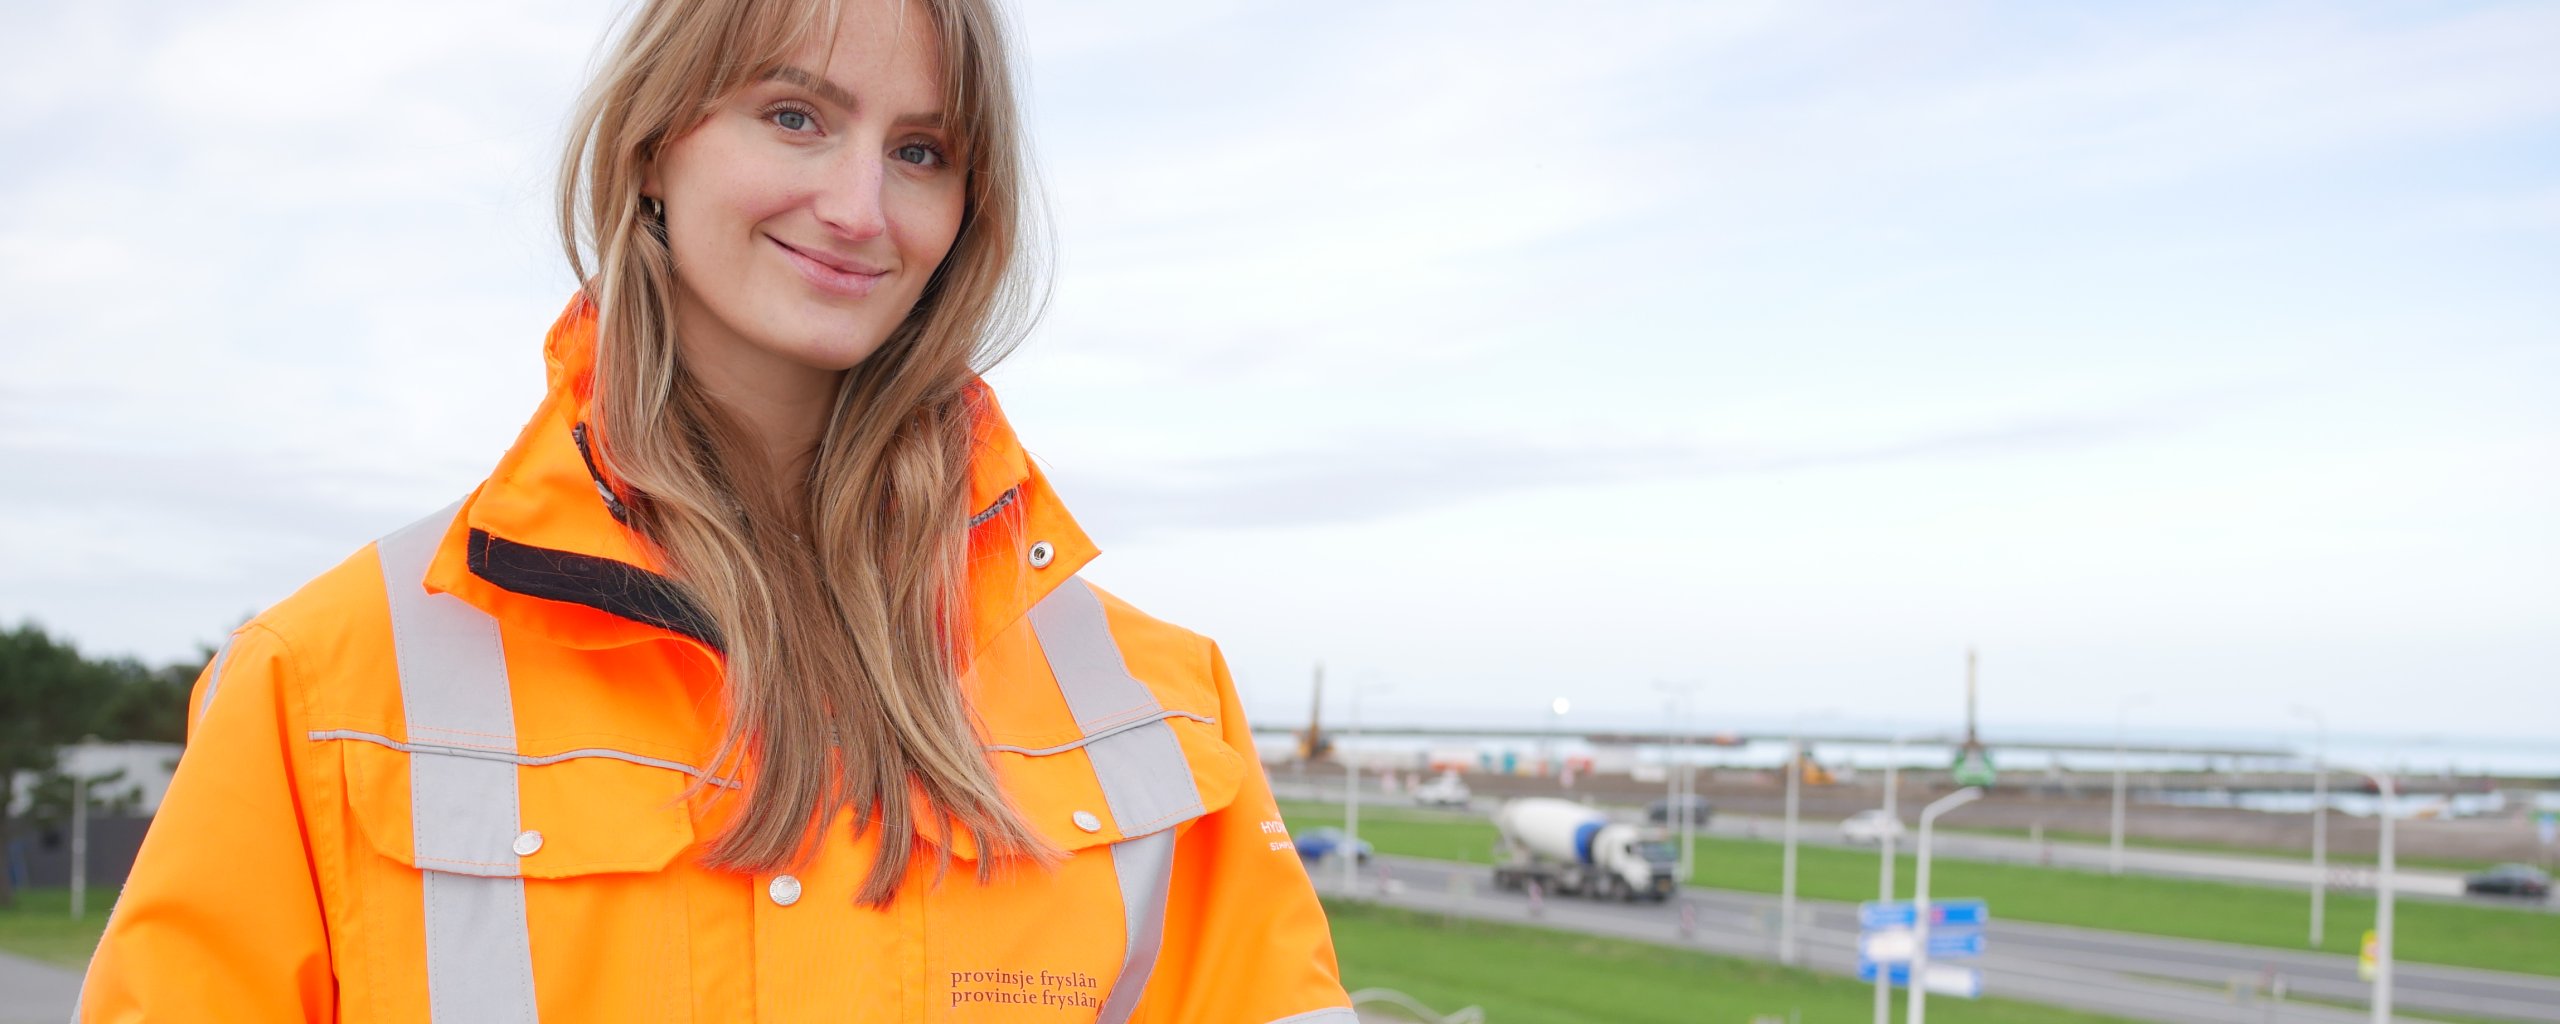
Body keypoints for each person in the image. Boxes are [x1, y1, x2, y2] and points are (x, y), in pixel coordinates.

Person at [76, 0, 1353, 1020]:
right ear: (652, 145)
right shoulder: (326, 684)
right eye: (796, 115)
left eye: (922, 150)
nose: (860, 209)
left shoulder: (1159, 705)